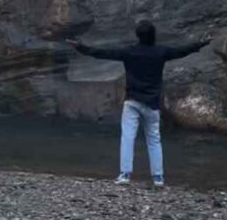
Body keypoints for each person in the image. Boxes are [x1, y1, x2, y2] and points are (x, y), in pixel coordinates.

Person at [67, 20, 209, 188]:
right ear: (153, 36)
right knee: (154, 140)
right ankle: (158, 178)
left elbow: (101, 53)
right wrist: (201, 43)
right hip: (152, 103)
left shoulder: (130, 52)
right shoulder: (160, 52)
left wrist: (80, 46)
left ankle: (125, 175)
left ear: (138, 36)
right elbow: (182, 51)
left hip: (133, 101)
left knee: (127, 137)